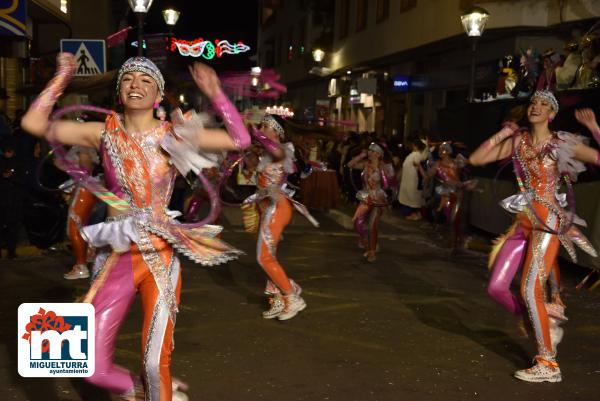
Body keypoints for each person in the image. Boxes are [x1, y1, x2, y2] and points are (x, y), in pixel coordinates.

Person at [21, 53, 251, 400]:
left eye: (145, 80)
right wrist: (63, 77)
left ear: (158, 94)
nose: (136, 85)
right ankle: (139, 390)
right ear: (119, 91)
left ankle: (158, 391)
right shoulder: (102, 133)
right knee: (88, 364)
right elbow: (34, 124)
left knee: (155, 358)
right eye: (128, 79)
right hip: (116, 255)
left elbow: (241, 141)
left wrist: (217, 94)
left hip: (160, 253)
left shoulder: (174, 135)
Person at [469, 90, 599, 383]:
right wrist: (504, 132)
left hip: (548, 221)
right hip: (523, 221)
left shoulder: (562, 142)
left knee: (530, 289)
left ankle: (548, 364)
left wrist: (594, 129)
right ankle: (535, 320)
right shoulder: (519, 141)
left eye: (544, 104)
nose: (536, 107)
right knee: (496, 287)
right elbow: (478, 158)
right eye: (533, 103)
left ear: (552, 114)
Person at [244, 114, 318, 320]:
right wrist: (247, 154)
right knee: (269, 257)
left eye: (266, 126)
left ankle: (292, 295)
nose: (262, 129)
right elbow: (257, 173)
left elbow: (271, 149)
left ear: (277, 132)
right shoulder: (268, 153)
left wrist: (252, 133)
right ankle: (276, 298)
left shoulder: (283, 150)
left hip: (278, 207)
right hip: (267, 206)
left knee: (263, 257)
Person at [421, 142, 476, 250]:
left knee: (456, 218)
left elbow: (471, 160)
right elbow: (427, 176)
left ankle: (456, 241)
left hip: (457, 192)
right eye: (440, 150)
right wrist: (419, 167)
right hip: (446, 194)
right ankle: (452, 242)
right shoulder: (437, 164)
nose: (441, 152)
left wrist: (460, 147)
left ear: (449, 152)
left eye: (444, 150)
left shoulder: (456, 162)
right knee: (450, 219)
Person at [347, 142, 394, 262]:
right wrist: (360, 156)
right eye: (369, 150)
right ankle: (364, 240)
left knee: (373, 225)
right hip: (364, 194)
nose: (369, 153)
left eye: (372, 151)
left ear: (378, 154)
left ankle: (371, 251)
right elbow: (350, 165)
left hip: (378, 195)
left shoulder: (385, 166)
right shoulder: (365, 165)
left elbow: (390, 182)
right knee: (358, 223)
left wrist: (383, 171)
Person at [62, 146, 99, 279]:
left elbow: (84, 172)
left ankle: (81, 266)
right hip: (83, 188)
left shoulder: (82, 147)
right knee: (79, 228)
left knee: (74, 229)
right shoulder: (78, 146)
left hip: (84, 190)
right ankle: (87, 255)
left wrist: (62, 166)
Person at [0, 139, 24, 258]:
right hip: (3, 199)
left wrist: (12, 177)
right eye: (5, 151)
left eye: (9, 151)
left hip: (14, 200)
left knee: (13, 226)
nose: (7, 153)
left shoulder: (18, 162)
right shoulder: (2, 160)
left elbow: (23, 179)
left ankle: (11, 251)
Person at [398, 136, 427, 220]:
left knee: (412, 199)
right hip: (408, 181)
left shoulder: (418, 155)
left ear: (415, 146)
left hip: (413, 182)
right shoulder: (413, 155)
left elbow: (419, 162)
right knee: (408, 198)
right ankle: (414, 214)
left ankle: (416, 214)